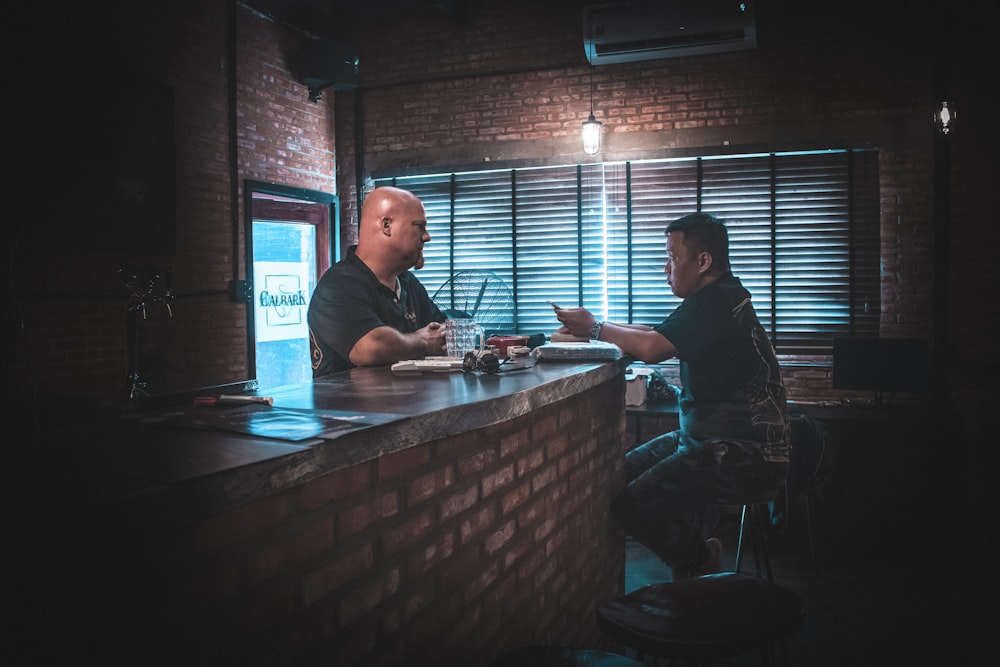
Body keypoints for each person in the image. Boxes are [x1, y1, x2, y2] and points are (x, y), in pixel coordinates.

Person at [553, 212, 791, 580]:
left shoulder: (716, 302)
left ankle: (698, 560)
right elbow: (655, 331)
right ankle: (690, 564)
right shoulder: (716, 298)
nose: (666, 268)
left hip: (746, 453)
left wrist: (596, 328)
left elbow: (652, 347)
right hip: (707, 440)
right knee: (621, 474)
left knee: (632, 504)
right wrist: (595, 327)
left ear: (703, 261)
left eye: (673, 257)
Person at [308, 186, 447, 377]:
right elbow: (371, 348)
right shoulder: (337, 285)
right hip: (347, 407)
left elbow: (443, 333)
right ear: (387, 226)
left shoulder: (407, 282)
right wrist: (422, 342)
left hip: (406, 405)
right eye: (419, 226)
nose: (427, 236)